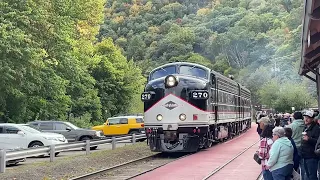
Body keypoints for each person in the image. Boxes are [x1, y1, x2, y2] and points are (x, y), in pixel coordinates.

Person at [300, 110, 320, 180]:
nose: (306, 119)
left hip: (312, 155)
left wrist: (309, 139)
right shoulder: (305, 127)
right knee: (307, 175)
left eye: (308, 117)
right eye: (305, 117)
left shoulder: (316, 128)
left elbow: (318, 142)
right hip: (305, 155)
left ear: (312, 118)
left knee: (312, 175)